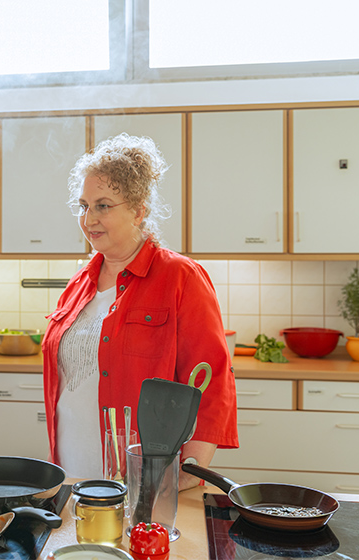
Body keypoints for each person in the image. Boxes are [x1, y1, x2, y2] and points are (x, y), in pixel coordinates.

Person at [42, 133, 238, 490]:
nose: (89, 219)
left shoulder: (180, 277)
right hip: (72, 472)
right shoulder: (78, 285)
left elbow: (213, 379)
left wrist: (186, 473)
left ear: (139, 209)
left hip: (147, 478)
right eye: (83, 206)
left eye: (103, 205)